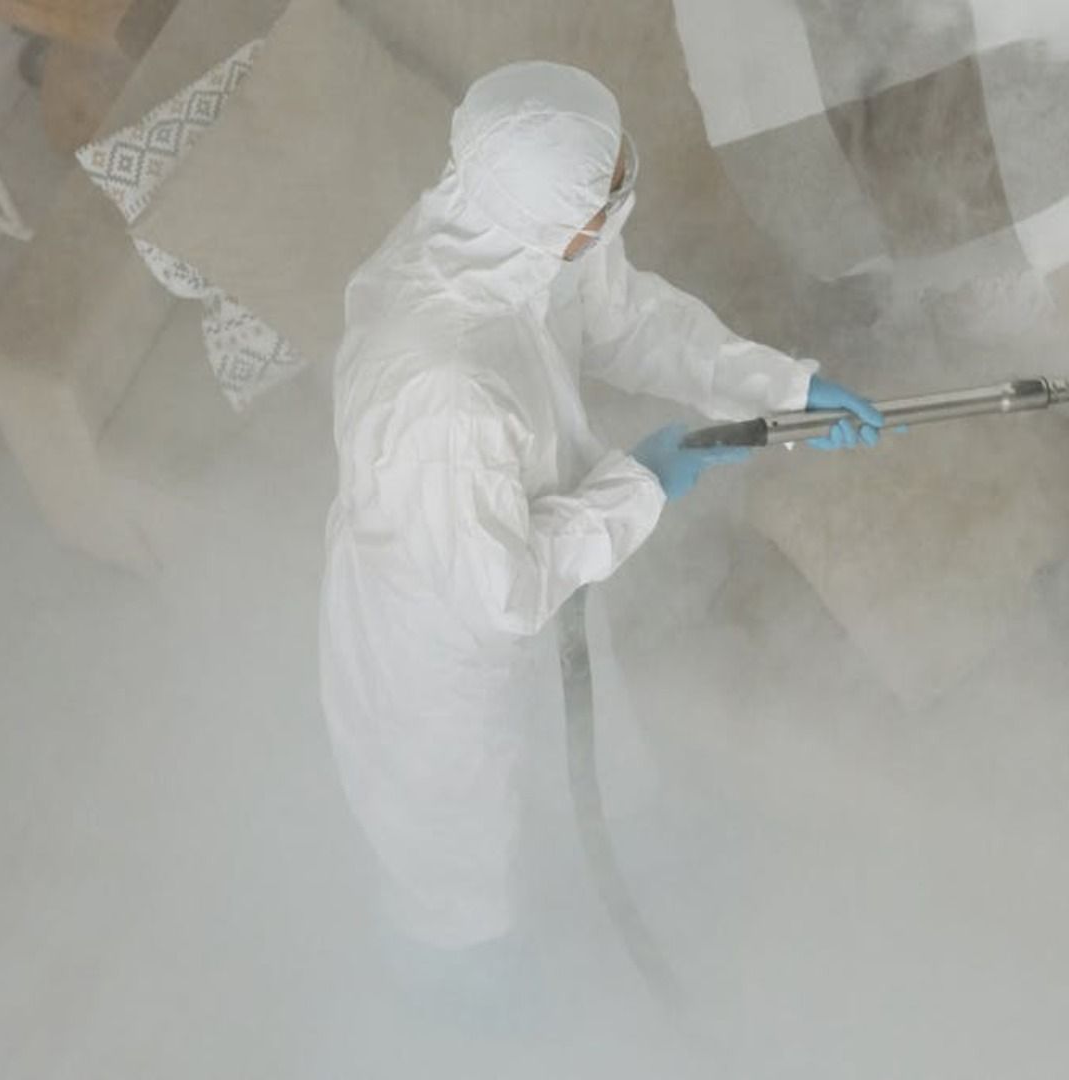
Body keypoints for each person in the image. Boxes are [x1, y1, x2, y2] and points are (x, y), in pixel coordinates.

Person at [320, 61, 884, 951]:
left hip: (549, 574)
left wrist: (782, 389)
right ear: (551, 215)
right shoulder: (443, 385)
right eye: (606, 199)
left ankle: (627, 863)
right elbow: (497, 596)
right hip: (444, 647)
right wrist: (643, 483)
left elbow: (627, 322)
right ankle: (469, 984)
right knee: (455, 843)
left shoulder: (519, 234)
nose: (622, 204)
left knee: (588, 742)